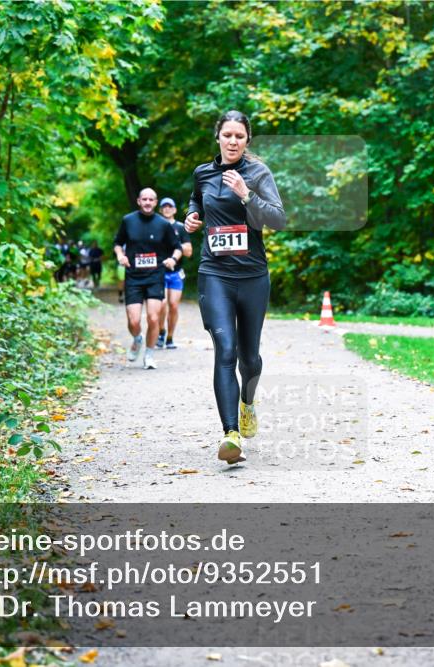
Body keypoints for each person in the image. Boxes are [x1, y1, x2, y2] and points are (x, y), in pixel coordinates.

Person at [184, 110, 287, 464]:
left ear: (247, 141)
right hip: (215, 273)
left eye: (239, 137)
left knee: (250, 358)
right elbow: (197, 200)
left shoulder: (258, 174)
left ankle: (248, 402)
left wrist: (246, 195)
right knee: (224, 349)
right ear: (218, 137)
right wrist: (192, 217)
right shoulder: (203, 173)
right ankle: (230, 434)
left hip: (253, 276)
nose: (232, 141)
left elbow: (278, 218)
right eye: (227, 135)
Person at [114, 188, 183, 370]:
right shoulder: (128, 220)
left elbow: (177, 247)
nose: (147, 202)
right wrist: (121, 255)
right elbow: (117, 243)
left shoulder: (163, 224)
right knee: (134, 320)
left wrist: (173, 259)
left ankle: (150, 355)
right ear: (138, 201)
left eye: (150, 199)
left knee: (153, 318)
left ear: (155, 202)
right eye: (144, 199)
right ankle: (137, 339)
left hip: (155, 276)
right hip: (133, 277)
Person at [156, 197, 193, 349]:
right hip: (159, 272)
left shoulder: (181, 227)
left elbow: (189, 251)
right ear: (160, 210)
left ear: (175, 210)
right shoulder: (155, 226)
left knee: (173, 305)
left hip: (176, 272)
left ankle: (170, 338)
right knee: (162, 304)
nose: (167, 209)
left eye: (170, 206)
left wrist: (175, 244)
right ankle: (161, 332)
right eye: (164, 207)